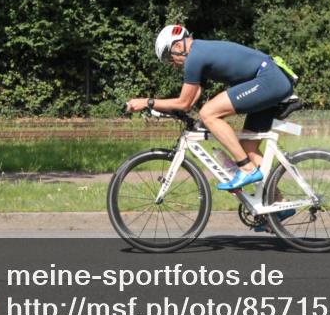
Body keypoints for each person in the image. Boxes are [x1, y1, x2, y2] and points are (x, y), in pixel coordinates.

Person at [125, 25, 295, 191]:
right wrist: (165, 109)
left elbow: (184, 102)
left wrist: (147, 102)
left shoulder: (195, 57)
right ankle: (277, 204)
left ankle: (246, 169)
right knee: (247, 147)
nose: (174, 64)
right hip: (271, 80)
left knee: (208, 113)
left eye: (170, 58)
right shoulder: (201, 52)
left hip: (268, 79)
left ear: (177, 46)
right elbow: (191, 99)